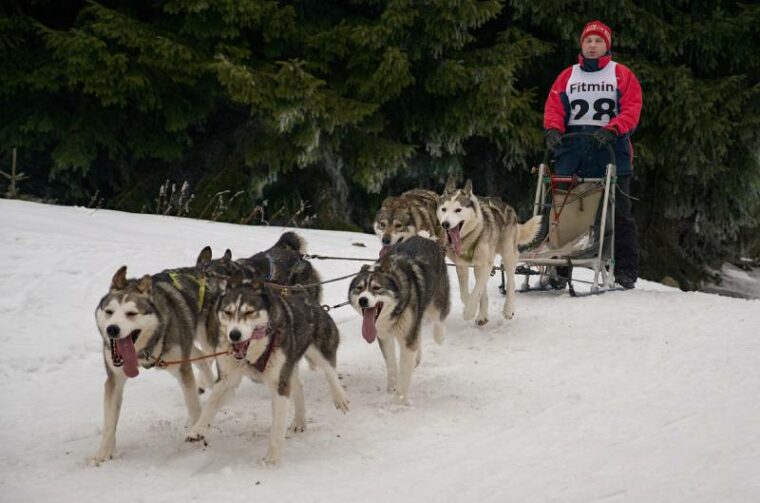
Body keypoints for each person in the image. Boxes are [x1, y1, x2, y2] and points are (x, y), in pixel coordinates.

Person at [543, 20, 642, 289]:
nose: (593, 45)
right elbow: (554, 107)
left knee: (619, 213)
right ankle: (560, 269)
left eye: (598, 41)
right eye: (588, 41)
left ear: (606, 45)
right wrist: (552, 130)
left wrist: (614, 129)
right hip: (573, 150)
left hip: (611, 149)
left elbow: (632, 108)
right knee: (565, 211)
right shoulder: (568, 76)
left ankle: (625, 271)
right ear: (581, 45)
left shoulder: (621, 74)